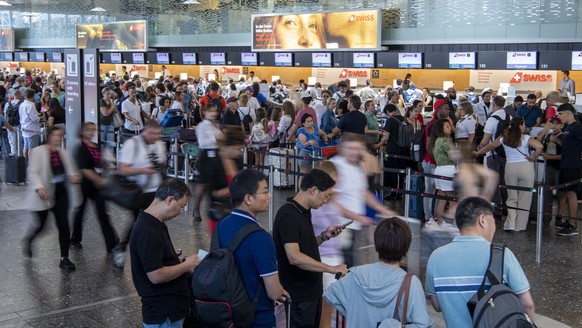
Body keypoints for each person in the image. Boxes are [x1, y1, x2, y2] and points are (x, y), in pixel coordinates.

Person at [425, 197, 535, 328]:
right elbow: (527, 303)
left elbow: (437, 305)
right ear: (482, 220)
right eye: (493, 221)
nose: (494, 227)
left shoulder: (436, 257)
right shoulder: (502, 254)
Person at [273, 169, 349, 327]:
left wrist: (324, 236)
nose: (327, 200)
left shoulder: (304, 212)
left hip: (312, 293)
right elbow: (294, 257)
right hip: (299, 296)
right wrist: (330, 268)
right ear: (314, 190)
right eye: (326, 195)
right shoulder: (288, 215)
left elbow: (304, 247)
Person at [324, 217, 433, 328]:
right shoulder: (411, 283)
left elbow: (329, 296)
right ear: (406, 247)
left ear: (376, 244)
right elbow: (422, 325)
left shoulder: (354, 275)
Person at [216, 169, 290, 327]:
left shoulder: (221, 225)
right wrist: (280, 291)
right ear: (248, 198)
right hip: (257, 318)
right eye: (264, 192)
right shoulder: (260, 238)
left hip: (227, 315)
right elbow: (274, 292)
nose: (269, 196)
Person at [129, 178, 201, 328]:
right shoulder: (148, 230)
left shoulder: (155, 223)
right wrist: (187, 265)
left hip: (169, 310)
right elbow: (156, 275)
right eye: (181, 207)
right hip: (163, 315)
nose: (180, 212)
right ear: (170, 200)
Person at [332, 133, 398, 267]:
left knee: (350, 263)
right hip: (337, 229)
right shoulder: (335, 167)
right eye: (352, 148)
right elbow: (333, 202)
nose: (356, 152)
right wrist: (358, 217)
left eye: (358, 148)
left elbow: (363, 192)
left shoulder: (356, 167)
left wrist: (382, 209)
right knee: (341, 266)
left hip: (352, 227)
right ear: (343, 148)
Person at [23, 126, 81, 270]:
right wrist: (39, 187)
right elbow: (33, 172)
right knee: (42, 225)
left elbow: (72, 170)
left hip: (61, 192)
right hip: (44, 193)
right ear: (49, 136)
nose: (58, 138)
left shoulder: (64, 153)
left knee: (63, 225)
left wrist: (74, 176)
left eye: (60, 135)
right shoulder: (38, 152)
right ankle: (29, 240)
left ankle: (64, 258)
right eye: (55, 135)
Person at [112, 120, 166, 268]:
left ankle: (151, 253)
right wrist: (143, 170)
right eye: (153, 133)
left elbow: (161, 166)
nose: (156, 137)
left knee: (154, 224)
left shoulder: (159, 144)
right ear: (145, 131)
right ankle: (122, 248)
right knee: (139, 223)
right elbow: (122, 169)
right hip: (139, 192)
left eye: (158, 133)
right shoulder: (133, 144)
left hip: (155, 191)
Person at [475, 117, 543, 232]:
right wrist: (534, 156)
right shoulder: (526, 138)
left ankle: (510, 223)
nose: (525, 126)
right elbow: (540, 147)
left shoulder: (504, 137)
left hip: (510, 167)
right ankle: (520, 225)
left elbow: (490, 146)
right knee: (525, 197)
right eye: (524, 124)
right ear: (520, 126)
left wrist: (478, 152)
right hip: (526, 167)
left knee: (511, 197)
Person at [70, 123, 119, 252]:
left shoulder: (95, 146)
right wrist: (99, 179)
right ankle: (75, 238)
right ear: (83, 131)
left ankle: (112, 243)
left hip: (95, 184)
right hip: (85, 184)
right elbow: (84, 169)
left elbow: (98, 162)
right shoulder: (81, 148)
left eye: (94, 130)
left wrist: (107, 165)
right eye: (89, 130)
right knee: (80, 212)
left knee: (102, 213)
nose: (92, 132)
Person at [477, 95, 511, 219]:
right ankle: (507, 208)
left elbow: (486, 140)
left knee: (494, 182)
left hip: (493, 154)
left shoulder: (492, 119)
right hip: (506, 154)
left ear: (493, 105)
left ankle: (497, 210)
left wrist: (479, 148)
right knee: (504, 181)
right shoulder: (509, 117)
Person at [553, 103, 582, 236]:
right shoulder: (568, 127)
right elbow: (567, 145)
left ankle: (572, 224)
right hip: (565, 164)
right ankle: (569, 221)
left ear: (569, 113)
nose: (559, 117)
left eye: (561, 114)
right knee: (565, 192)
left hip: (573, 165)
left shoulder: (576, 127)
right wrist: (557, 141)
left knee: (571, 194)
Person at [192, 103, 222, 222]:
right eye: (211, 112)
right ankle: (196, 209)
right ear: (205, 113)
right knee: (202, 184)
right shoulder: (202, 126)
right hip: (206, 156)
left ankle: (214, 208)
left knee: (215, 184)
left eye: (215, 111)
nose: (213, 114)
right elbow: (202, 143)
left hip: (217, 155)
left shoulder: (217, 125)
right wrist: (216, 137)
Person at [430, 119, 458, 227]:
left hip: (439, 170)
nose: (450, 128)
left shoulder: (436, 141)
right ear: (441, 129)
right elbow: (455, 156)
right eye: (447, 126)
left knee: (442, 199)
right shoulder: (445, 141)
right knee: (452, 200)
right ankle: (455, 224)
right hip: (448, 171)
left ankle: (440, 223)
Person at [19, 89, 42, 160]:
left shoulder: (22, 104)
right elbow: (34, 119)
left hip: (24, 128)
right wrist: (39, 118)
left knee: (26, 147)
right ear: (33, 96)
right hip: (32, 130)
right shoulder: (31, 105)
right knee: (32, 149)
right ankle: (31, 164)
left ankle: (25, 163)